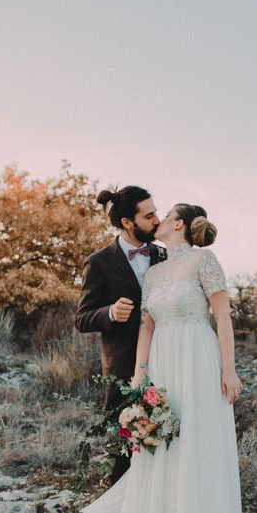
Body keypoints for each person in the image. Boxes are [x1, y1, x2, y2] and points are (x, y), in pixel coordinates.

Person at [1, 203, 246, 513]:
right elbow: (147, 327)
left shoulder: (205, 260)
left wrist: (228, 369)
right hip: (165, 363)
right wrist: (139, 378)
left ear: (178, 224)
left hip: (198, 362)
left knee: (197, 448)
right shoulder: (154, 273)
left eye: (163, 216)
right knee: (163, 450)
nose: (158, 221)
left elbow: (223, 317)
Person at [74, 186, 166, 485]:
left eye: (156, 212)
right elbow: (82, 318)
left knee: (166, 437)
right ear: (128, 222)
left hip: (167, 359)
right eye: (149, 215)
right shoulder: (99, 262)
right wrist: (111, 313)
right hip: (124, 368)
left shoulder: (164, 254)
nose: (157, 220)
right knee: (124, 447)